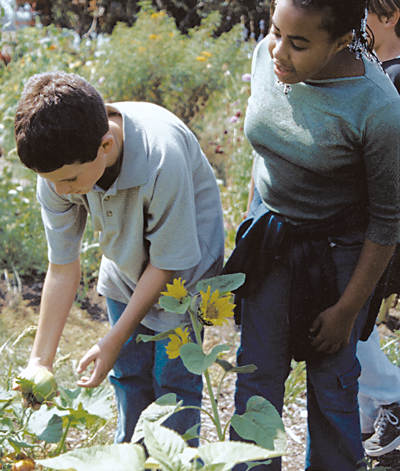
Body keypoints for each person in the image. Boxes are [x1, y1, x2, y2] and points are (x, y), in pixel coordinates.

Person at [223, 0, 400, 470]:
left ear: (342, 41)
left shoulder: (378, 107)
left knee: (333, 385)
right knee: (255, 374)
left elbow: (387, 221)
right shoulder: (269, 55)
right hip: (271, 236)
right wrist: (250, 234)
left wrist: (347, 311)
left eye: (299, 43)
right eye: (275, 31)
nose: (279, 51)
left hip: (338, 252)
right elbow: (266, 154)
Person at [13, 71, 225, 444]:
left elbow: (167, 262)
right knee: (127, 375)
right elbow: (62, 266)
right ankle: (130, 456)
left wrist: (112, 339)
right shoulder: (58, 165)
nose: (61, 191)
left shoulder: (162, 156)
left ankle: (174, 464)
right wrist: (40, 360)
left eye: (70, 182)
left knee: (172, 382)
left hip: (183, 277)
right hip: (124, 267)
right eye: (53, 182)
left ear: (106, 146)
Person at [355, 0, 400, 457]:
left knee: (358, 317)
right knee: (362, 320)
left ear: (390, 17)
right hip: (370, 218)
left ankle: (391, 401)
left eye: (365, 13)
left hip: (383, 222)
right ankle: (373, 413)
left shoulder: (394, 75)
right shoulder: (372, 66)